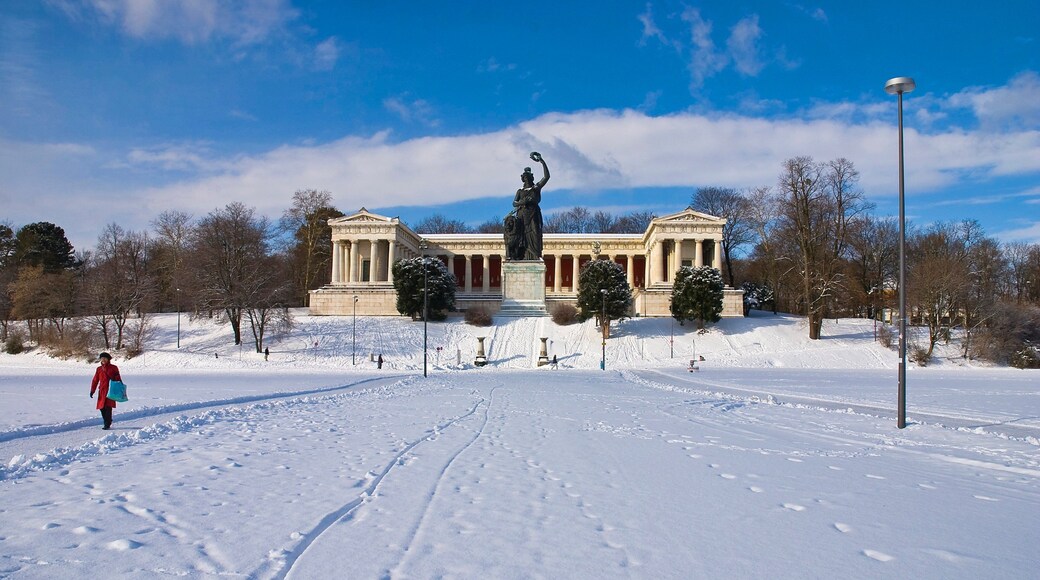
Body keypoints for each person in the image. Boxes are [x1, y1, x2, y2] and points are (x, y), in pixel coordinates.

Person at [512, 151, 550, 260]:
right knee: (520, 236)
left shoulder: (536, 188)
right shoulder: (520, 191)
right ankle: (520, 255)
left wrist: (542, 161)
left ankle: (535, 255)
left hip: (533, 214)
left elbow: (546, 177)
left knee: (534, 234)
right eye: (525, 178)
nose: (526, 179)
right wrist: (522, 202)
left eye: (528, 178)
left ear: (531, 178)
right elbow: (514, 203)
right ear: (523, 179)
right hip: (521, 215)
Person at [89, 352, 122, 430]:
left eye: (105, 358)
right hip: (102, 391)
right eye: (102, 358)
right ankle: (107, 420)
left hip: (111, 390)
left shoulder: (114, 368)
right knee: (101, 407)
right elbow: (95, 380)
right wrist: (92, 390)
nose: (103, 360)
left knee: (108, 407)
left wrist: (119, 387)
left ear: (108, 359)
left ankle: (107, 423)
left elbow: (118, 378)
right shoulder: (99, 369)